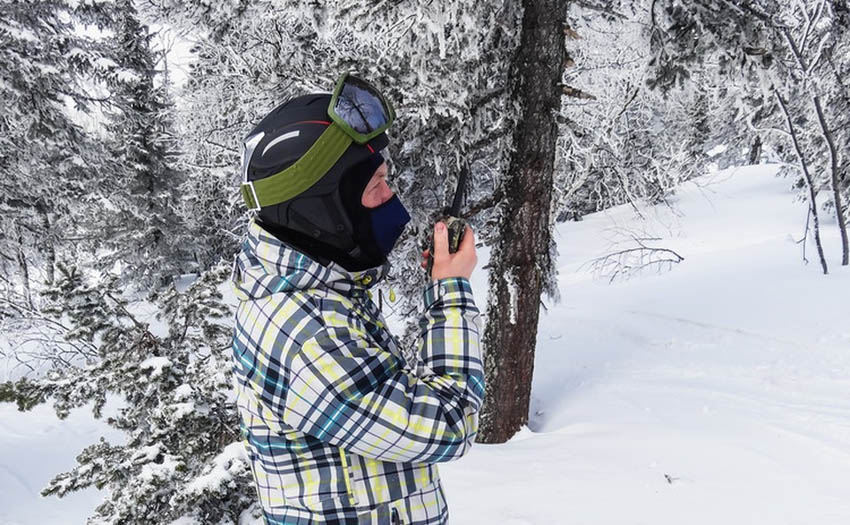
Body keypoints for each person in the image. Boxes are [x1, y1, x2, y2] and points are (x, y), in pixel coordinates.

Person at [230, 73, 485, 525]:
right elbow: (450, 422)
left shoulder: (323, 289)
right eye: (375, 185)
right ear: (319, 208)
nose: (391, 198)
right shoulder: (305, 332)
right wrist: (451, 294)